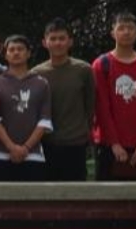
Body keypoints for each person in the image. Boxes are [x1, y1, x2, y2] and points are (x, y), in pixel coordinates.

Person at [92, 12, 136, 180]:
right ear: (113, 33)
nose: (126, 32)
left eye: (130, 28)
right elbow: (101, 107)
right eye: (121, 28)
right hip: (108, 145)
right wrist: (114, 143)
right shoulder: (101, 65)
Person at [31, 18, 95, 181]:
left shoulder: (83, 70)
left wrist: (85, 133)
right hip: (46, 142)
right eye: (53, 39)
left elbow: (90, 105)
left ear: (70, 41)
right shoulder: (36, 73)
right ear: (45, 42)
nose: (57, 43)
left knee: (75, 190)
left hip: (76, 143)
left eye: (62, 38)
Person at [0, 35, 52, 182]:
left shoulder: (41, 83)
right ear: (5, 55)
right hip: (1, 153)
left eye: (20, 49)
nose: (16, 52)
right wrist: (11, 147)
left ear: (28, 53)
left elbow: (44, 121)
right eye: (11, 50)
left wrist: (26, 148)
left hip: (33, 154)